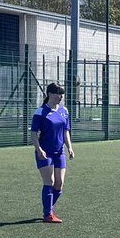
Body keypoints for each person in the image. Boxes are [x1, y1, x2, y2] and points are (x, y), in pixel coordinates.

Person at [32, 82, 74, 223]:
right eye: (58, 93)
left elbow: (65, 131)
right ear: (50, 94)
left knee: (59, 183)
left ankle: (48, 209)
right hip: (45, 152)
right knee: (49, 181)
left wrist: (70, 147)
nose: (60, 96)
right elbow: (33, 133)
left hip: (59, 152)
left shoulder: (64, 111)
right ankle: (48, 214)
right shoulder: (41, 112)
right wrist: (39, 149)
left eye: (62, 94)